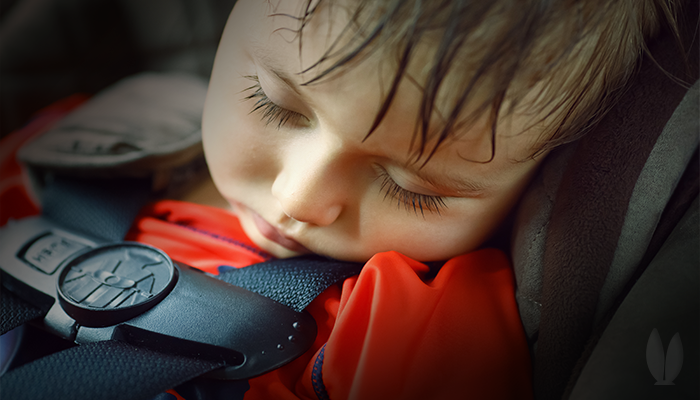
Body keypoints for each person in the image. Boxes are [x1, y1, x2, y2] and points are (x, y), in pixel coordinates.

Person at [0, 0, 680, 399]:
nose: (299, 198)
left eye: (414, 188)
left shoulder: (412, 325)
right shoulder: (82, 149)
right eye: (271, 103)